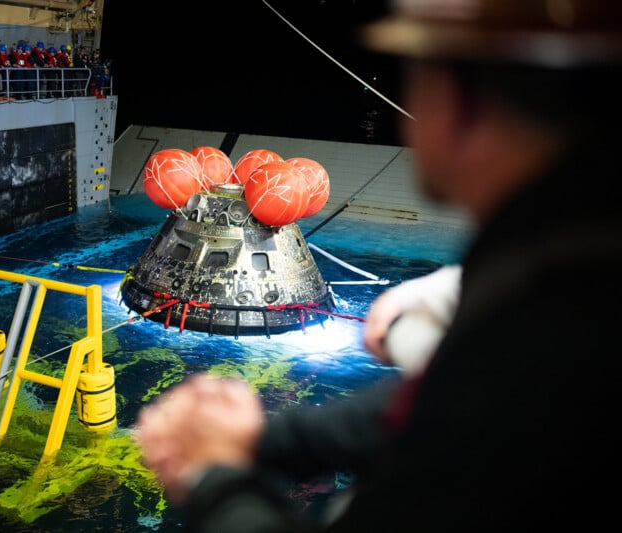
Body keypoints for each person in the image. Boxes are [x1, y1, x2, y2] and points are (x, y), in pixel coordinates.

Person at [134, 1, 622, 531]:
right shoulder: (561, 282)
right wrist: (269, 441)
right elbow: (454, 400)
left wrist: (214, 477)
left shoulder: (555, 319)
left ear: (454, 102)